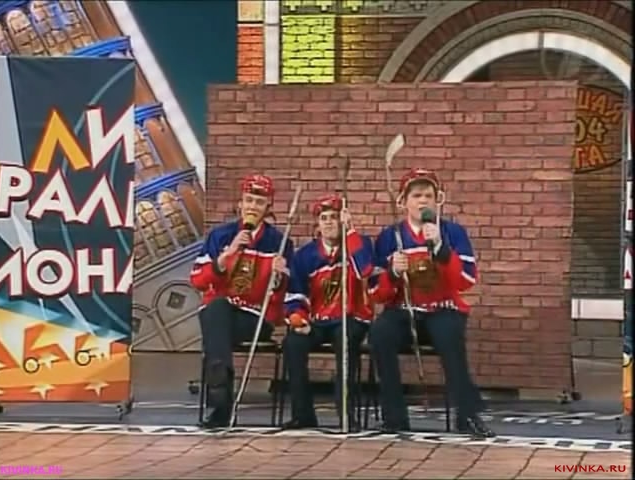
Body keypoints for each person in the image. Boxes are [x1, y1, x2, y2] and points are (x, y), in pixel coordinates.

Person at [369, 168, 495, 437]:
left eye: (428, 195)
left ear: (439, 200)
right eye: (416, 196)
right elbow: (376, 292)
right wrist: (393, 273)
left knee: (450, 337)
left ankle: (467, 416)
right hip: (403, 309)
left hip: (443, 308)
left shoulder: (453, 232)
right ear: (403, 201)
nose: (423, 201)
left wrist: (440, 248)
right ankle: (394, 417)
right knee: (380, 334)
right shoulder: (390, 237)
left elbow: (466, 280)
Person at [190, 174, 293, 428]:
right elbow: (197, 279)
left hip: (254, 317)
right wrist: (226, 256)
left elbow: (282, 297)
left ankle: (220, 398)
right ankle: (221, 391)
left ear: (268, 208)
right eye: (248, 200)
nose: (252, 207)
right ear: (240, 204)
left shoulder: (279, 242)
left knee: (216, 328)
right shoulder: (220, 236)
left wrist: (280, 276)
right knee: (217, 309)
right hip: (219, 311)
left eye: (259, 202)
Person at [283, 194, 374, 431]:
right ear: (318, 224)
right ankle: (303, 415)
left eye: (334, 217)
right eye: (324, 218)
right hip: (318, 321)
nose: (329, 222)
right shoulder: (305, 255)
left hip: (351, 318)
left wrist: (350, 232)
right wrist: (297, 317)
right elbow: (295, 294)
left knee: (346, 340)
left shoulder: (360, 244)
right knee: (293, 343)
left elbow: (365, 270)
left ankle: (346, 414)